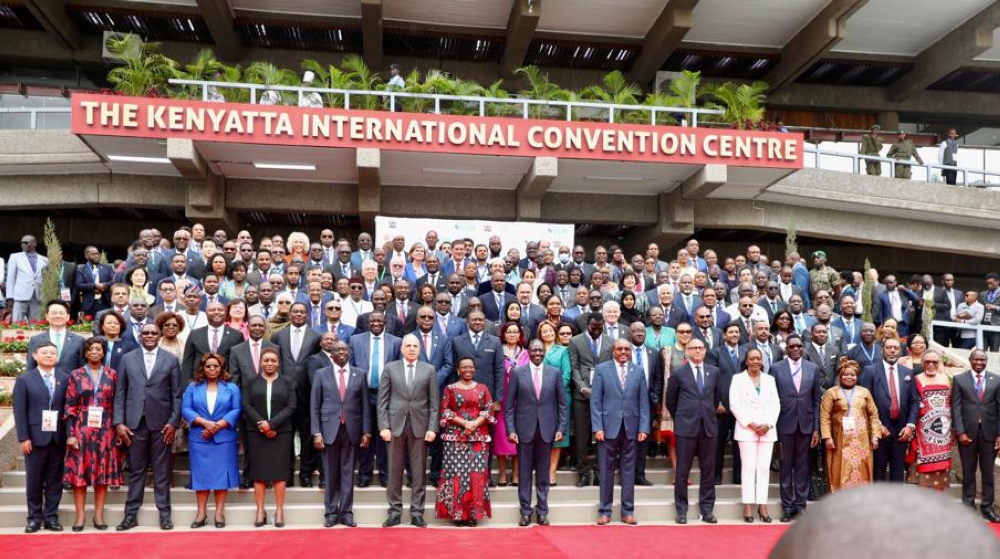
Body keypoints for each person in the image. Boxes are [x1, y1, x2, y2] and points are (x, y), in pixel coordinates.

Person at [114, 323, 182, 531]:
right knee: (136, 471)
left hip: (162, 425)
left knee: (161, 473)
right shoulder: (128, 358)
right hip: (134, 425)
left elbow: (176, 394)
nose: (150, 336)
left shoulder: (170, 359)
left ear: (159, 335)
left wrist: (173, 423)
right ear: (140, 336)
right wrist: (119, 423)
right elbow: (120, 393)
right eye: (146, 333)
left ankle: (164, 514)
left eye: (154, 333)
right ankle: (131, 514)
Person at [379, 334, 440, 527]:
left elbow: (434, 403)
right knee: (394, 470)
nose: (412, 348)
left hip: (420, 426)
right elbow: (382, 401)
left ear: (419, 349)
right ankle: (395, 512)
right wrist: (384, 426)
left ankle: (417, 512)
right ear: (402, 348)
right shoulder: (390, 368)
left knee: (419, 471)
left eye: (415, 346)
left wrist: (432, 428)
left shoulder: (429, 370)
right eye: (409, 345)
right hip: (395, 426)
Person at [63, 337, 122, 531]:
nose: (95, 352)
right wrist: (71, 434)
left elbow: (117, 403)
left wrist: (118, 427)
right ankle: (80, 517)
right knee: (80, 473)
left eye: (99, 349)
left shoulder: (112, 374)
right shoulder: (76, 375)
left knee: (102, 473)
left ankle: (98, 515)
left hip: (106, 430)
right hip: (81, 429)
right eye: (91, 349)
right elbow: (69, 406)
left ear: (104, 352)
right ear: (85, 353)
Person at [507, 339, 567, 526]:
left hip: (547, 430)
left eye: (541, 350)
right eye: (534, 350)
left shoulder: (554, 373)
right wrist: (511, 429)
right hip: (524, 431)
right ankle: (525, 512)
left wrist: (560, 428)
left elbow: (562, 405)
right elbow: (509, 406)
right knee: (524, 475)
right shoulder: (517, 373)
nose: (538, 353)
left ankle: (542, 511)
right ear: (529, 352)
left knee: (543, 474)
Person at [312, 340, 371, 528]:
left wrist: (366, 431)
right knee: (330, 473)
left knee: (348, 473)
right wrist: (316, 432)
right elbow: (314, 406)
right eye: (337, 349)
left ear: (349, 352)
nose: (342, 352)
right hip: (329, 430)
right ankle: (330, 512)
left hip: (352, 430)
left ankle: (346, 512)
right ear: (331, 352)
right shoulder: (321, 374)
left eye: (345, 349)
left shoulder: (360, 374)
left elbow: (365, 406)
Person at [592, 339, 650, 526]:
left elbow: (643, 402)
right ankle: (605, 511)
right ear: (612, 350)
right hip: (608, 428)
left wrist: (643, 427)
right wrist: (597, 427)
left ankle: (627, 511)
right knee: (606, 471)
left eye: (627, 349)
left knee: (628, 471)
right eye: (620, 349)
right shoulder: (601, 370)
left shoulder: (638, 371)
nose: (624, 352)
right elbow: (595, 402)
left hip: (632, 428)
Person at [13, 342, 69, 533]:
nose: (48, 355)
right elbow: (19, 411)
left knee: (55, 480)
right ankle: (34, 518)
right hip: (35, 438)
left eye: (52, 353)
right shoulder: (25, 380)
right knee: (34, 480)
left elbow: (69, 410)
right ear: (35, 356)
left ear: (57, 357)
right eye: (44, 353)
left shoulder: (65, 378)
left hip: (58, 437)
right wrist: (23, 437)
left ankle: (51, 517)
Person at [182, 353, 241, 528]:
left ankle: (219, 513)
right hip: (200, 438)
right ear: (203, 368)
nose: (212, 369)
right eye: (208, 366)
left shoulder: (231, 388)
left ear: (222, 368)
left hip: (224, 439)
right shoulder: (193, 387)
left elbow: (236, 410)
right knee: (202, 476)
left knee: (222, 476)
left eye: (216, 366)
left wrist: (217, 426)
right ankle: (201, 514)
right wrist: (205, 423)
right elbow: (186, 409)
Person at [666, 337, 722, 524]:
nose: (697, 351)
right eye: (693, 348)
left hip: (708, 427)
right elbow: (670, 401)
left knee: (708, 470)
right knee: (682, 470)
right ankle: (681, 510)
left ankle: (707, 509)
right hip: (686, 428)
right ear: (687, 351)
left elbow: (715, 400)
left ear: (705, 351)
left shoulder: (714, 372)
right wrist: (682, 418)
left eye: (700, 348)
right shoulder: (678, 372)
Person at [436, 356, 495, 526]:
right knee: (456, 475)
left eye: (470, 367)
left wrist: (475, 423)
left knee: (476, 476)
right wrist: (464, 423)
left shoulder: (483, 388)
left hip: (478, 438)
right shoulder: (450, 389)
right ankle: (458, 514)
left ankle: (473, 515)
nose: (467, 370)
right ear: (458, 370)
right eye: (464, 367)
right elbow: (445, 411)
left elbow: (489, 408)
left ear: (474, 369)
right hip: (455, 438)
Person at [771, 334, 823, 522]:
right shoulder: (776, 369)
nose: (795, 349)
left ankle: (800, 506)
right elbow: (771, 399)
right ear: (786, 348)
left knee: (803, 468)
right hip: (784, 425)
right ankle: (786, 507)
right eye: (791, 346)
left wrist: (816, 429)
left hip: (806, 426)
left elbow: (817, 400)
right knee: (785, 467)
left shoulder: (813, 369)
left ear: (802, 348)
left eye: (798, 346)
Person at [243, 347, 295, 528]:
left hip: (281, 433)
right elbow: (247, 405)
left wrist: (272, 425)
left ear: (279, 362)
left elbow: (291, 406)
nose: (270, 363)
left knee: (280, 473)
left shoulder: (287, 381)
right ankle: (260, 510)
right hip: (256, 432)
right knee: (259, 473)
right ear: (261, 362)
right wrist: (262, 425)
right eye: (266, 360)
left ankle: (279, 510)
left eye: (273, 360)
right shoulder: (251, 381)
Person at [271, 301, 322, 486]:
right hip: (284, 394)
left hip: (307, 393)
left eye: (302, 312)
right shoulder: (278, 336)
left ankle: (306, 474)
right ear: (290, 314)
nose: (299, 315)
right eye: (296, 312)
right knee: (286, 436)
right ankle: (287, 473)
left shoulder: (316, 337)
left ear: (307, 315)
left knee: (307, 435)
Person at [729, 347, 778, 523]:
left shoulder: (770, 380)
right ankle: (748, 505)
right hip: (746, 430)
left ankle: (762, 506)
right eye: (752, 358)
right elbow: (734, 405)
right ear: (747, 361)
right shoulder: (738, 379)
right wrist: (750, 423)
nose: (756, 361)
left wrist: (768, 424)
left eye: (758, 358)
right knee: (749, 468)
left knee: (764, 469)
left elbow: (776, 404)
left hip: (767, 430)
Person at [820, 357, 882, 493]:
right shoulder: (831, 392)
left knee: (862, 469)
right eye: (846, 374)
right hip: (839, 439)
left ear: (857, 376)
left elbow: (873, 414)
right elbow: (824, 417)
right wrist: (827, 437)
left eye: (852, 374)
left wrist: (875, 436)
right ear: (840, 376)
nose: (849, 377)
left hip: (862, 440)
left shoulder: (864, 392)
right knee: (840, 468)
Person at [951, 349, 1000, 522]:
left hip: (989, 433)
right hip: (967, 435)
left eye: (983, 359)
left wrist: (999, 435)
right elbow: (955, 408)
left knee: (988, 473)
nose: (979, 362)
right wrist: (960, 432)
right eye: (976, 359)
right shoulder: (959, 379)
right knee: (968, 471)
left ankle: (988, 508)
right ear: (970, 360)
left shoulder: (997, 379)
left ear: (986, 361)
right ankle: (968, 506)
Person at [568, 313, 613, 487]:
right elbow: (575, 367)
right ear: (587, 325)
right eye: (593, 328)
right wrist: (583, 388)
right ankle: (583, 473)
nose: (597, 331)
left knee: (602, 435)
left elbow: (611, 367)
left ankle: (600, 472)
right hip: (582, 395)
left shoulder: (610, 341)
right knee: (582, 436)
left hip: (604, 395)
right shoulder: (576, 341)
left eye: (600, 328)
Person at [911, 351, 954, 491]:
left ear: (939, 363)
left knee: (941, 473)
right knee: (923, 471)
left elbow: (952, 403)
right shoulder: (915, 379)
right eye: (927, 362)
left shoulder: (946, 379)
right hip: (923, 433)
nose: (931, 365)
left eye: (934, 362)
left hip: (943, 433)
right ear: (922, 363)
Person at [538, 321, 572, 485]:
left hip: (560, 397)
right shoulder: (536, 349)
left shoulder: (564, 350)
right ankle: (543, 469)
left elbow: (566, 374)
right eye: (544, 331)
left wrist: (552, 391)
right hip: (539, 398)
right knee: (543, 433)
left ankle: (552, 471)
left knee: (558, 436)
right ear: (540, 334)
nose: (548, 334)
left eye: (550, 330)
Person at [496, 321, 527, 485]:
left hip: (522, 399)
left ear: (520, 335)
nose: (512, 334)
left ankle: (516, 473)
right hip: (503, 397)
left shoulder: (526, 353)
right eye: (509, 332)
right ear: (503, 334)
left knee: (519, 435)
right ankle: (502, 472)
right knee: (502, 435)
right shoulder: (498, 351)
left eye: (516, 332)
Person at [26, 300, 85, 374]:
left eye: (61, 313)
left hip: (71, 384)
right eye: (54, 313)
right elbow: (30, 369)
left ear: (68, 317)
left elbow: (82, 369)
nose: (58, 316)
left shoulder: (79, 340)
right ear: (47, 316)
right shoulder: (36, 340)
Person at [6, 234, 47, 322]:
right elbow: (10, 278)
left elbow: (46, 280)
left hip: (37, 296)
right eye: (21, 243)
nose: (23, 245)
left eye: (26, 242)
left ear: (34, 243)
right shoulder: (15, 257)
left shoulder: (44, 260)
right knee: (17, 323)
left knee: (36, 325)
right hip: (20, 295)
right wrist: (9, 296)